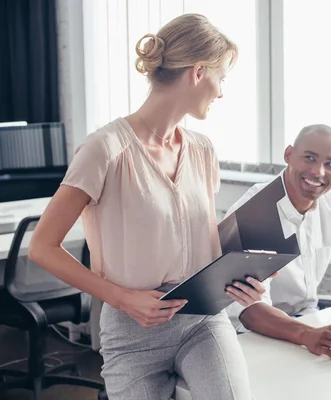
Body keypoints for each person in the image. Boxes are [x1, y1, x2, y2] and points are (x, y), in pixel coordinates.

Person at [28, 14, 252, 400]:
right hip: (133, 329)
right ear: (199, 72)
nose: (221, 93)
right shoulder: (104, 149)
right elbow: (42, 246)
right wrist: (122, 298)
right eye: (222, 78)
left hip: (203, 318)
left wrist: (244, 275)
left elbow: (204, 239)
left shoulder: (202, 150)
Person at [224, 124, 331, 361]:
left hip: (306, 324)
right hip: (254, 337)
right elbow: (248, 310)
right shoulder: (255, 212)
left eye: (330, 164)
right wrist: (307, 335)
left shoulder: (329, 204)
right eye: (309, 158)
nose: (318, 172)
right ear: (288, 155)